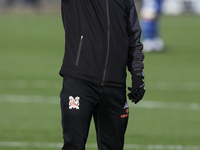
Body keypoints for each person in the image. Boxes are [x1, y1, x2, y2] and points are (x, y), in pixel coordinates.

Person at [59, 0, 145, 150]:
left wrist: (137, 75)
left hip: (115, 86)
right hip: (80, 82)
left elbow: (134, 39)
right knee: (74, 145)